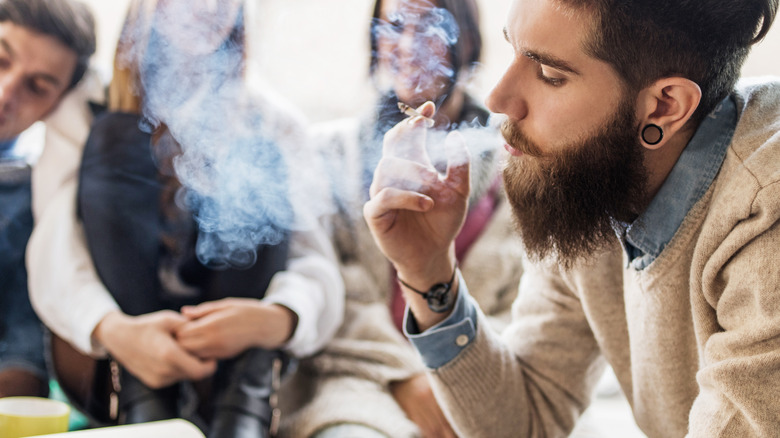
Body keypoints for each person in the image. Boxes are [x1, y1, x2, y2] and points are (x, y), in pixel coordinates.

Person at [363, 0, 780, 436]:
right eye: (514, 51)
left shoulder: (765, 216)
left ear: (664, 106)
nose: (498, 99)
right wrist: (429, 271)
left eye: (549, 75)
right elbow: (527, 419)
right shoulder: (595, 179)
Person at [26, 0, 343, 437]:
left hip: (234, 347)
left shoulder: (272, 122)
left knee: (257, 155)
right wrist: (116, 330)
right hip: (114, 354)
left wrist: (277, 317)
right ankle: (143, 398)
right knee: (116, 135)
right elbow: (53, 255)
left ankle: (241, 403)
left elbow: (316, 265)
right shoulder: (88, 108)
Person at [278, 0, 522, 437]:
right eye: (393, 26)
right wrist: (406, 379)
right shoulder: (331, 154)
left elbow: (527, 307)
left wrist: (454, 375)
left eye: (428, 26)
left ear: (464, 36)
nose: (407, 45)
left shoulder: (517, 169)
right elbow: (333, 289)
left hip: (481, 378)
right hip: (357, 380)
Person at [0, 0, 95, 399]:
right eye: (1, 59)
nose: (5, 93)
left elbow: (21, 364)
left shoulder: (26, 205)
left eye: (37, 87)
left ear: (55, 108)